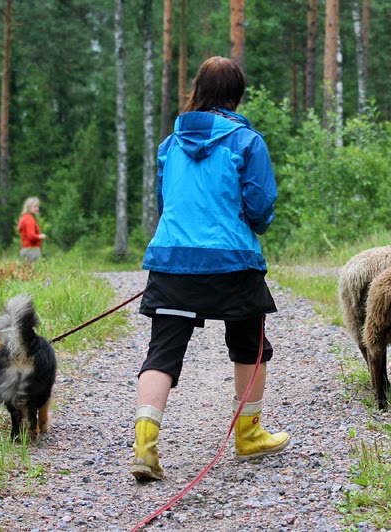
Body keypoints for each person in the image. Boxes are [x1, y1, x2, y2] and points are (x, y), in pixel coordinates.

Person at [132, 56, 289, 481]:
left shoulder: (170, 144)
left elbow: (166, 203)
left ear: (197, 91)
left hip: (172, 261)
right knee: (250, 346)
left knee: (162, 353)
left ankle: (144, 446)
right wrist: (252, 224)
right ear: (237, 95)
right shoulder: (247, 141)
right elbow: (260, 206)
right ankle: (248, 435)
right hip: (232, 262)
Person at [17, 197, 46, 262]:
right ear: (28, 207)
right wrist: (40, 236)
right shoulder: (29, 219)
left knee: (26, 268)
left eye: (38, 206)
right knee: (36, 268)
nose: (37, 209)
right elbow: (31, 236)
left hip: (24, 249)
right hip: (32, 250)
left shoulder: (23, 218)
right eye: (35, 206)